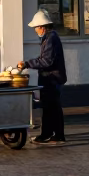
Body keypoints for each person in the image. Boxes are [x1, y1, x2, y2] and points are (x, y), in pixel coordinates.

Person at [17, 9, 67, 145]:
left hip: (52, 78)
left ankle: (48, 134)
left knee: (50, 107)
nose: (35, 31)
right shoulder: (50, 38)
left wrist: (27, 64)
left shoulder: (51, 39)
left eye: (36, 28)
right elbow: (44, 59)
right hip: (52, 78)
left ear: (42, 27)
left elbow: (46, 61)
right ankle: (56, 134)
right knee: (53, 107)